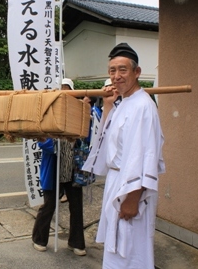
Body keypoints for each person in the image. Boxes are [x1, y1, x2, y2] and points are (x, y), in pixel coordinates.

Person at [82, 43, 165, 268]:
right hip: (117, 181)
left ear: (137, 72)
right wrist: (108, 106)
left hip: (131, 188)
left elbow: (146, 154)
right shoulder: (124, 102)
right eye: (112, 71)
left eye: (122, 70)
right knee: (116, 247)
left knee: (130, 248)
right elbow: (108, 139)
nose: (116, 76)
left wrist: (133, 197)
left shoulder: (143, 106)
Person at [32, 78, 87, 256]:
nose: (65, 94)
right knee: (49, 206)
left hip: (73, 169)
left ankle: (76, 243)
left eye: (68, 90)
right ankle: (39, 239)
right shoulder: (50, 112)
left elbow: (86, 137)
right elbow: (43, 141)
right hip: (54, 169)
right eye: (62, 90)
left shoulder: (78, 112)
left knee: (76, 207)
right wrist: (53, 144)